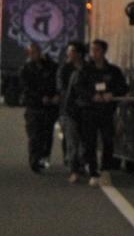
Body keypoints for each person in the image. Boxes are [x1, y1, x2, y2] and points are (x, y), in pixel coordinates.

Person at [81, 39, 128, 186]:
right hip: (89, 111)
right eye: (92, 50)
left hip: (107, 112)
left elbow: (123, 88)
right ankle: (93, 171)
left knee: (108, 140)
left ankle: (106, 169)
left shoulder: (113, 71)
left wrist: (111, 94)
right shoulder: (85, 70)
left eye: (97, 50)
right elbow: (79, 88)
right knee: (90, 142)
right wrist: (91, 95)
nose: (94, 53)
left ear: (103, 52)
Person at [20, 43, 59, 173]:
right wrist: (40, 98)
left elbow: (56, 82)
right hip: (34, 107)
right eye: (31, 52)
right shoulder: (26, 69)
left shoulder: (50, 66)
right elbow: (27, 89)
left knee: (47, 135)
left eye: (35, 52)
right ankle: (34, 161)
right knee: (34, 135)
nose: (33, 54)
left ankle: (44, 156)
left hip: (49, 108)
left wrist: (54, 97)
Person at [57, 41, 89, 183]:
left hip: (86, 110)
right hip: (69, 110)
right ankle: (73, 169)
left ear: (79, 54)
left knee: (85, 141)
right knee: (71, 141)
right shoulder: (65, 69)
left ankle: (81, 164)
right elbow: (61, 88)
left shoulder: (89, 69)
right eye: (69, 51)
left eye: (71, 51)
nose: (68, 54)